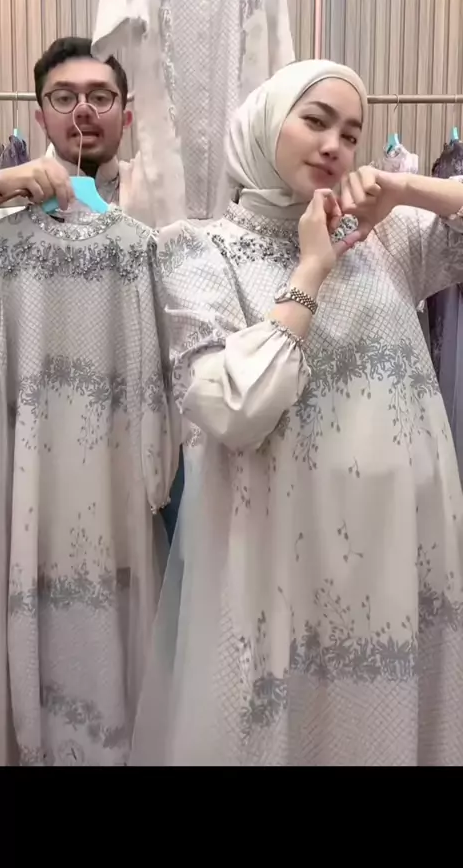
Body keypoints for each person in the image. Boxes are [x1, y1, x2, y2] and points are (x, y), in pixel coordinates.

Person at [130, 59, 463, 767]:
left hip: (398, 549)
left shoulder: (389, 237)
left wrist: (404, 189)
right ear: (264, 124)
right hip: (280, 553)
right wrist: (310, 268)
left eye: (351, 133)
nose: (334, 145)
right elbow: (234, 408)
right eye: (315, 121)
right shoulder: (197, 249)